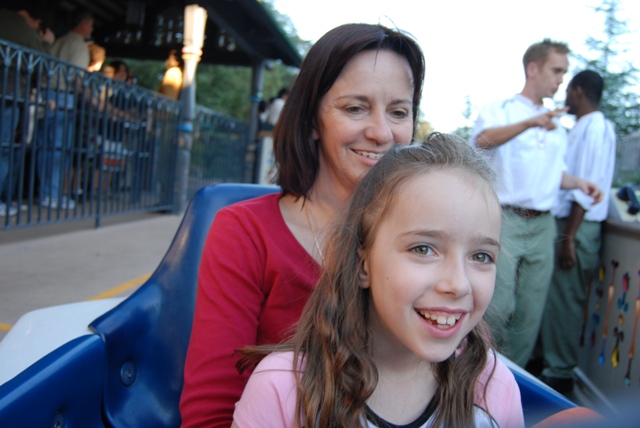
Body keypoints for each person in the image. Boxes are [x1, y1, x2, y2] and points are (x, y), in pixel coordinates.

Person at [180, 23, 425, 427]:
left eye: (398, 111)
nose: (382, 132)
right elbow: (211, 413)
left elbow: (463, 361)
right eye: (355, 108)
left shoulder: (425, 236)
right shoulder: (245, 232)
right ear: (312, 120)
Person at [232, 134, 524, 427]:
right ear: (363, 264)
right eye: (423, 249)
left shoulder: (494, 388)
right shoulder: (282, 389)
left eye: (481, 256)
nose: (459, 284)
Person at [469, 39, 602, 368]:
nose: (561, 80)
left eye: (564, 73)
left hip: (543, 226)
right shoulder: (501, 110)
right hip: (505, 221)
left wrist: (580, 183)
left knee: (530, 314)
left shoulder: (555, 123)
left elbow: (555, 176)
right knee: (497, 306)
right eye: (556, 71)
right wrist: (530, 123)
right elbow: (481, 142)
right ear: (533, 69)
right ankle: (476, 375)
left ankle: (513, 388)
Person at [538, 70, 616, 393]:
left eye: (568, 89)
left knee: (566, 302)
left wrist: (569, 237)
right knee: (554, 300)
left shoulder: (596, 128)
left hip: (578, 226)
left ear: (579, 91)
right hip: (568, 222)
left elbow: (588, 188)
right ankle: (546, 363)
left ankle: (559, 374)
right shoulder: (581, 127)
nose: (564, 95)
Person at [0, 0, 54, 216]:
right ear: (35, 20)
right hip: (9, 92)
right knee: (4, 146)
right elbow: (42, 64)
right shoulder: (22, 27)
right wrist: (47, 43)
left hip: (10, 92)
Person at [36, 8, 94, 209]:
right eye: (91, 24)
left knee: (45, 146)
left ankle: (47, 192)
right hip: (61, 97)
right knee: (58, 148)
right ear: (84, 23)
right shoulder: (78, 45)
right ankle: (51, 194)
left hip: (45, 94)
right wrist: (91, 99)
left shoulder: (60, 40)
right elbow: (77, 77)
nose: (92, 28)